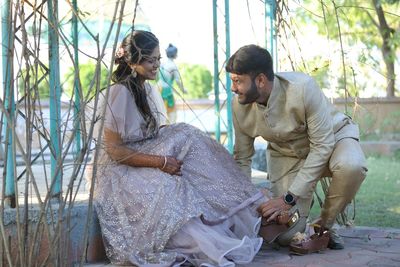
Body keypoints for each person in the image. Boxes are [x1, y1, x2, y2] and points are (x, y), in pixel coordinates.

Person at [92, 31, 268, 266]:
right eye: (150, 60)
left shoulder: (145, 89)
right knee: (173, 182)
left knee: (190, 138)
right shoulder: (119, 92)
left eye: (158, 59)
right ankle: (208, 241)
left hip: (143, 153)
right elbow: (115, 151)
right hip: (119, 170)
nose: (156, 66)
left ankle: (247, 203)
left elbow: (153, 133)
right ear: (133, 61)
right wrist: (162, 162)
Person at [226, 44, 367, 250]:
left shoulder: (302, 88)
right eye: (232, 81)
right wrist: (242, 206)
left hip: (334, 139)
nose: (233, 88)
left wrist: (289, 197)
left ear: (261, 80)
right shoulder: (238, 106)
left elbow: (322, 145)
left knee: (351, 166)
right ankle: (302, 217)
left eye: (238, 81)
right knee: (285, 235)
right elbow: (242, 159)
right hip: (287, 156)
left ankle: (324, 226)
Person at [158, 43, 185, 123]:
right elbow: (177, 81)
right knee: (171, 114)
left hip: (158, 88)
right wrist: (183, 90)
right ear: (175, 54)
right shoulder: (173, 66)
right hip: (167, 90)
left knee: (160, 112)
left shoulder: (162, 64)